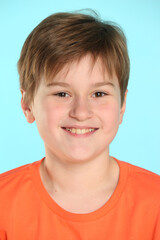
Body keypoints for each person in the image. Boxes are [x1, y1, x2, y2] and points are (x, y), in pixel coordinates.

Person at [0, 11, 159, 240]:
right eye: (62, 93)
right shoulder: (4, 205)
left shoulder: (155, 204)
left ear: (122, 105)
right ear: (27, 105)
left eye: (99, 93)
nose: (81, 112)